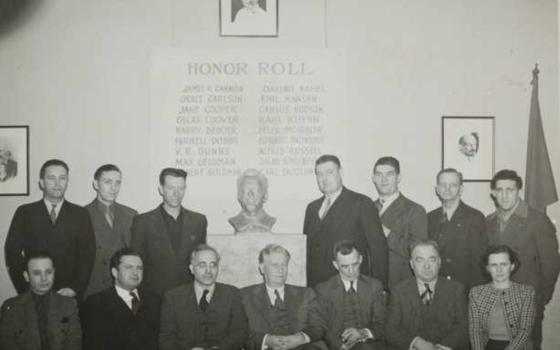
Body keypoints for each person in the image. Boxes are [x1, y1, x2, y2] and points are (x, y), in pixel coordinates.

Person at [485, 169, 560, 350]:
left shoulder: (537, 220)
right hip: (496, 306)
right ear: (493, 193)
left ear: (518, 190)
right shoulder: (488, 222)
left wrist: (540, 299)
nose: (504, 195)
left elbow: (551, 264)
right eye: (500, 190)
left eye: (510, 190)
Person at [5, 159, 96, 299]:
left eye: (62, 178)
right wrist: (25, 288)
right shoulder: (25, 212)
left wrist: (75, 288)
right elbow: (12, 253)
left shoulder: (80, 214)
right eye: (51, 178)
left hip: (69, 294)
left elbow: (88, 255)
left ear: (67, 182)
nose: (57, 184)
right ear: (41, 182)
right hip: (33, 292)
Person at [304, 154, 388, 288]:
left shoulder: (361, 203)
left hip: (350, 288)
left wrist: (380, 288)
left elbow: (378, 249)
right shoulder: (312, 208)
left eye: (329, 172)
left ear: (341, 173)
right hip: (317, 290)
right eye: (319, 174)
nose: (324, 179)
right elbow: (307, 253)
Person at [130, 167, 207, 296]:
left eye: (181, 188)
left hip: (188, 296)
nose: (176, 193)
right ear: (161, 189)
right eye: (171, 188)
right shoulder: (142, 222)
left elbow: (200, 261)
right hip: (154, 297)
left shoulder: (198, 221)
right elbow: (136, 262)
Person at [159, 244, 248, 350]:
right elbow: (166, 340)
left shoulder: (233, 294)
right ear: (192, 269)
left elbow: (241, 333)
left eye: (213, 265)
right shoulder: (173, 297)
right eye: (202, 265)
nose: (208, 270)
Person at [386, 240, 468, 350]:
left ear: (439, 262)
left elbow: (462, 327)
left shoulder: (457, 290)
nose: (427, 266)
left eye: (432, 259)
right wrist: (416, 342)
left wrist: (440, 347)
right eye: (420, 260)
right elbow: (391, 330)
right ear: (411, 264)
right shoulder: (398, 292)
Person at [306, 240, 386, 350]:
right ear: (335, 265)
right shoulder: (323, 289)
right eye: (344, 266)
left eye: (355, 264)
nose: (351, 271)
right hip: (334, 345)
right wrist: (339, 346)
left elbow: (381, 322)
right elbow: (319, 326)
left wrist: (362, 333)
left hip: (366, 344)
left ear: (361, 259)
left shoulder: (374, 286)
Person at [82, 248, 160, 350]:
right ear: (115, 272)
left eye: (139, 268)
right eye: (129, 267)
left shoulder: (155, 300)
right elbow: (93, 344)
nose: (135, 272)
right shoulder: (96, 303)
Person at [0, 252, 82, 350]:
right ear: (26, 276)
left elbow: (74, 344)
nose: (44, 279)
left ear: (54, 273)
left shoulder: (68, 305)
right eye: (37, 273)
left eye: (48, 272)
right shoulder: (11, 308)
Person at [242, 244, 315, 350]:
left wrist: (300, 338)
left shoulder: (306, 294)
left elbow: (318, 325)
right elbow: (238, 331)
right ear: (262, 268)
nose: (280, 270)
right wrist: (265, 340)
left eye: (284, 265)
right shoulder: (245, 296)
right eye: (274, 265)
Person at [427, 168, 488, 290]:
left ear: (461, 189)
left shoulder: (475, 217)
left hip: (464, 288)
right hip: (437, 287)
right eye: (443, 185)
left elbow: (479, 261)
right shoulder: (430, 218)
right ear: (437, 189)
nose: (447, 189)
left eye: (453, 185)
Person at [372, 156, 427, 289]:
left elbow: (419, 253)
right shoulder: (367, 208)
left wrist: (388, 233)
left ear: (398, 178)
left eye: (389, 174)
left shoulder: (415, 210)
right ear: (373, 179)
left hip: (401, 286)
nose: (383, 180)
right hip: (371, 286)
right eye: (379, 175)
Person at [84, 164, 138, 298]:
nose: (114, 188)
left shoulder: (131, 215)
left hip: (123, 288)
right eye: (108, 182)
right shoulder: (82, 214)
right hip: (93, 289)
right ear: (96, 184)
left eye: (117, 182)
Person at [469, 245, 536, 350]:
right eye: (494, 265)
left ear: (512, 266)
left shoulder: (526, 292)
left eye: (503, 264)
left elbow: (525, 331)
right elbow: (475, 331)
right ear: (488, 268)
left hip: (517, 346)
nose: (499, 270)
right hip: (487, 345)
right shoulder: (476, 292)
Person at [229, 169, 276, 233]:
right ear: (239, 195)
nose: (250, 194)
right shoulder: (236, 221)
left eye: (256, 190)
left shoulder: (269, 221)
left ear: (265, 195)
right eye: (245, 190)